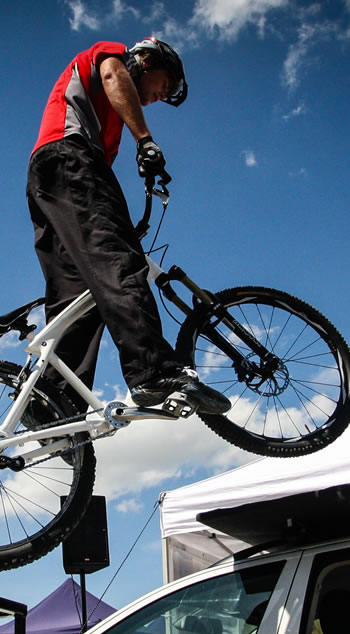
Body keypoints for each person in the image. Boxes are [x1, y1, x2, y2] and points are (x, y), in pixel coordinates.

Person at [27, 37, 228, 416]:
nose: (157, 97)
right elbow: (112, 73)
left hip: (46, 177)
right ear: (146, 60)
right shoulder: (114, 56)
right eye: (163, 86)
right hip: (69, 158)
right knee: (121, 264)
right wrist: (146, 142)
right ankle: (154, 371)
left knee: (77, 301)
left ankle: (53, 403)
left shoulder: (107, 125)